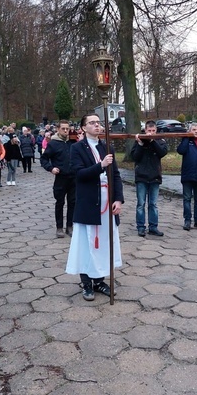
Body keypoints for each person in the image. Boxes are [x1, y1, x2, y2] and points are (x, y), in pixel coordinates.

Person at [66, 114, 123, 301]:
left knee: (104, 243)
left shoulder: (106, 147)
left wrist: (119, 199)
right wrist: (100, 165)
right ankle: (87, 282)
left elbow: (115, 175)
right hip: (89, 203)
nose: (96, 125)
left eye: (98, 122)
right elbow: (79, 174)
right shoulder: (77, 148)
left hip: (107, 202)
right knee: (86, 244)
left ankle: (99, 280)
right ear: (83, 128)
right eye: (92, 123)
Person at [131, 120, 168, 237]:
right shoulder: (138, 141)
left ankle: (153, 227)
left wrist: (152, 141)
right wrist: (141, 144)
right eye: (149, 131)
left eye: (153, 131)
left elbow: (162, 152)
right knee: (140, 204)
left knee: (153, 204)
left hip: (155, 176)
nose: (151, 133)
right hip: (141, 176)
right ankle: (141, 227)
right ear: (145, 130)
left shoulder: (160, 141)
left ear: (156, 130)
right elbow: (135, 157)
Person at [41, 120, 76, 238]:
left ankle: (70, 226)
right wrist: (51, 168)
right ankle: (59, 227)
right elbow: (44, 159)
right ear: (58, 129)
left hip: (73, 177)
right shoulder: (53, 143)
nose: (66, 131)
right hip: (61, 178)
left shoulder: (73, 142)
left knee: (72, 202)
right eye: (63, 129)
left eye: (67, 128)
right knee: (60, 203)